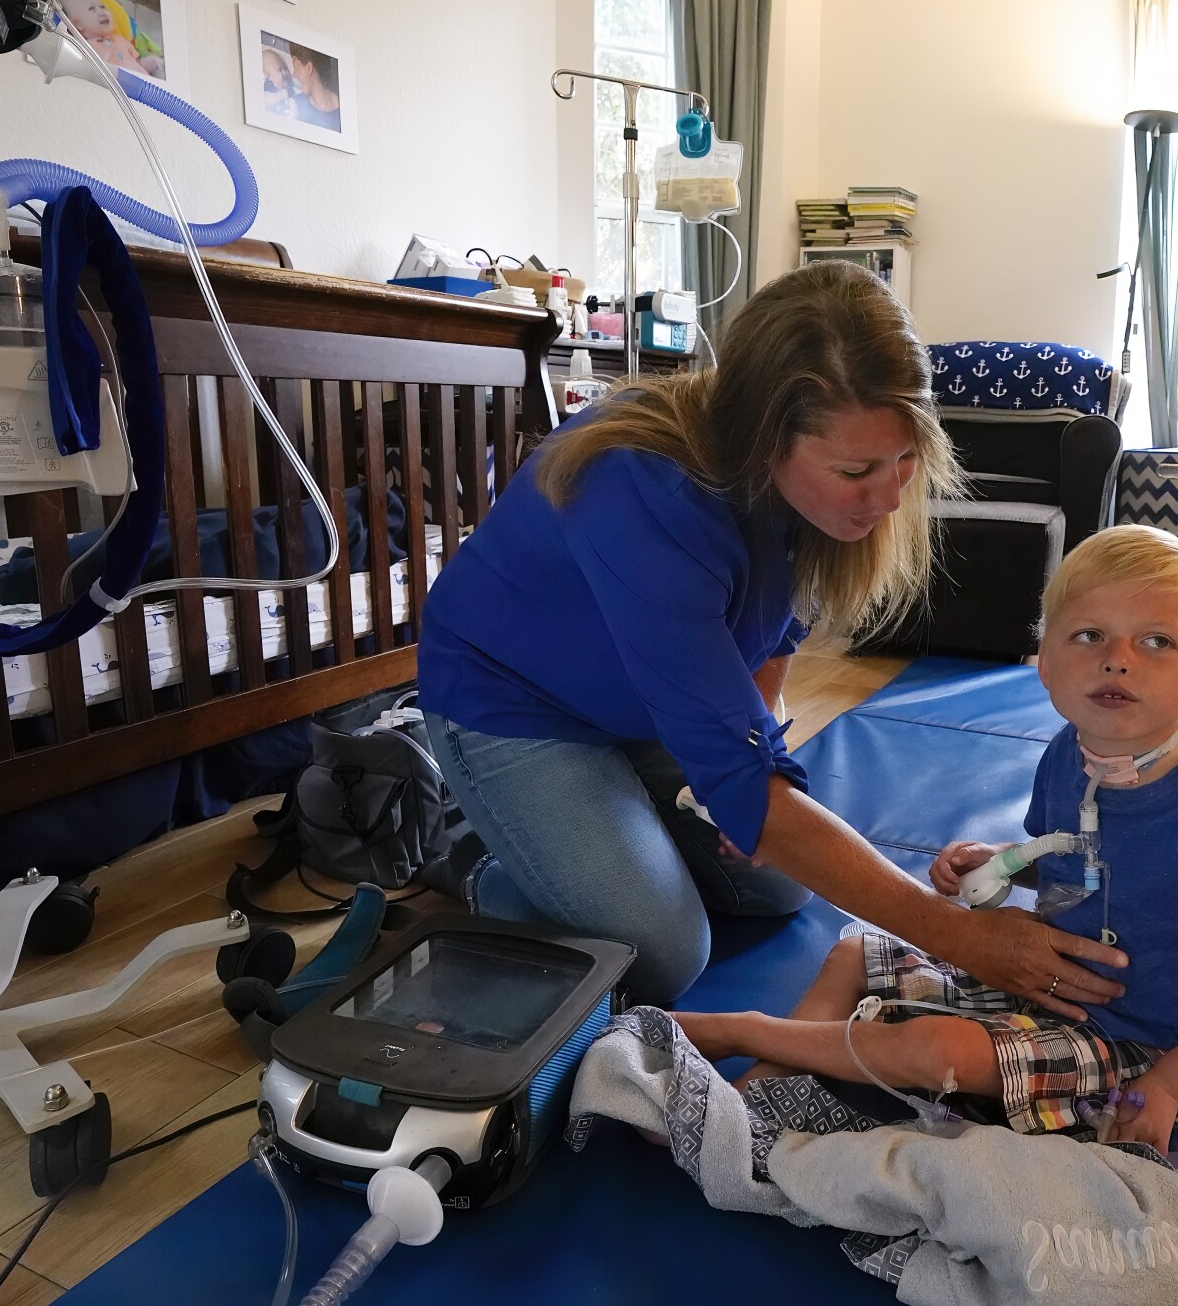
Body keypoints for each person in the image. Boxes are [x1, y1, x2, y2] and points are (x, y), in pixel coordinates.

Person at [417, 260, 1130, 1010]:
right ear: (764, 440)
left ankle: (594, 839)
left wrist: (749, 778)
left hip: (637, 703)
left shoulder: (804, 492)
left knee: (781, 885)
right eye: (858, 469)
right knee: (661, 950)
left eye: (903, 461)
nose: (889, 497)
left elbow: (777, 632)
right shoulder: (644, 490)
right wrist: (959, 935)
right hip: (511, 704)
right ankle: (482, 857)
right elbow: (749, 773)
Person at [672, 526, 1178, 1154]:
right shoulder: (1067, 756)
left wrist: (1169, 1086)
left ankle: (746, 1034)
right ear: (1046, 663)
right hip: (1039, 989)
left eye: (1157, 641)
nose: (1118, 659)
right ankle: (768, 1087)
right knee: (853, 956)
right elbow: (1070, 857)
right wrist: (1005, 864)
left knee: (937, 1052)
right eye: (1089, 636)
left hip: (1135, 1049)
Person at [51, 0, 159, 78]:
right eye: (92, 9)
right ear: (76, 23)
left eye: (102, 6)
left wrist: (151, 62)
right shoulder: (86, 49)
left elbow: (137, 61)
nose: (102, 12)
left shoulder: (120, 39)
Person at [287, 44, 343, 131]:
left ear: (309, 68)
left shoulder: (343, 108)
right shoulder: (295, 105)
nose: (294, 75)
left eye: (295, 66)